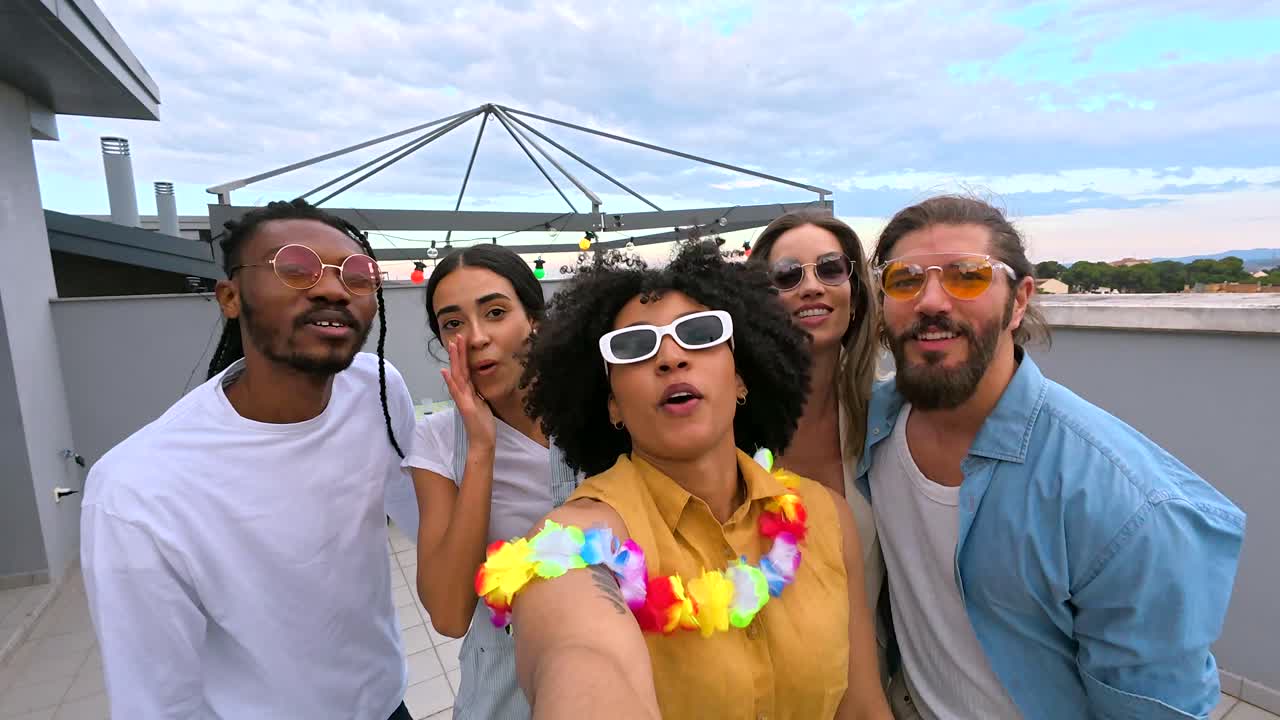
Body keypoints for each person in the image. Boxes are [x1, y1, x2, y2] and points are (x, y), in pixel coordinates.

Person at [856, 195, 1246, 719]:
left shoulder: (1122, 503)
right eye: (905, 279)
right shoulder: (870, 425)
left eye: (967, 275)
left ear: (1019, 301)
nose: (932, 300)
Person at [482, 242, 893, 719]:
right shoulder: (573, 544)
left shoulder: (826, 516)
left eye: (699, 333)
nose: (671, 357)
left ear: (741, 377)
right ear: (611, 403)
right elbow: (581, 653)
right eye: (633, 346)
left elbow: (863, 707)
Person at [81, 199, 421, 719]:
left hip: (385, 704)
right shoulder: (137, 489)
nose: (333, 288)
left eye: (357, 275)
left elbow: (421, 514)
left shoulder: (375, 388)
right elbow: (157, 702)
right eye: (295, 267)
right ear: (230, 297)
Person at [402, 244, 577, 720]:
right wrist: (481, 449)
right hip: (504, 689)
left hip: (623, 671)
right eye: (453, 323)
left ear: (534, 320)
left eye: (495, 312)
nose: (475, 337)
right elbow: (448, 614)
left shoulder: (602, 412)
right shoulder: (439, 442)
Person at [748, 209, 890, 685]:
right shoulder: (725, 426)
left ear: (855, 293)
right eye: (787, 276)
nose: (811, 287)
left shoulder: (890, 417)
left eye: (830, 269)